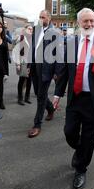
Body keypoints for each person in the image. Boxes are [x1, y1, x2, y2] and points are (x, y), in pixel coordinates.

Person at [53, 8, 94, 189]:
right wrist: (58, 95)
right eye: (85, 21)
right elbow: (65, 71)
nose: (89, 24)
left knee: (89, 138)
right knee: (69, 132)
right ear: (78, 23)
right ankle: (81, 150)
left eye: (92, 21)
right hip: (75, 97)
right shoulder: (72, 43)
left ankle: (81, 169)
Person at [27, 10, 60, 138]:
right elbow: (32, 48)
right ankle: (51, 109)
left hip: (47, 68)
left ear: (49, 18)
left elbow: (59, 53)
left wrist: (57, 72)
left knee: (41, 96)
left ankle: (37, 125)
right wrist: (29, 65)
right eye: (39, 17)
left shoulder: (55, 32)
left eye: (43, 17)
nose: (41, 19)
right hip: (35, 67)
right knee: (38, 93)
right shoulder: (36, 30)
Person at [12, 24, 33, 105]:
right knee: (22, 80)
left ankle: (27, 97)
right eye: (29, 28)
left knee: (29, 81)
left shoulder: (32, 39)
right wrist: (17, 63)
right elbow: (16, 51)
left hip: (31, 62)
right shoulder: (21, 38)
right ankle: (20, 98)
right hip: (23, 61)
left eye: (31, 29)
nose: (30, 30)